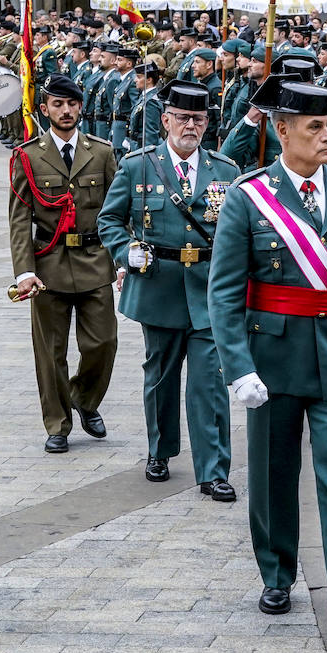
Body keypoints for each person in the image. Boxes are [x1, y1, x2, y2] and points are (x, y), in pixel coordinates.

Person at [207, 77, 327, 645]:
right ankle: (277, 571)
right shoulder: (249, 196)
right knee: (272, 477)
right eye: (314, 126)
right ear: (280, 129)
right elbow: (224, 292)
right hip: (273, 362)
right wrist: (239, 368)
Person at [98, 81, 238, 496]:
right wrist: (126, 253)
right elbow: (110, 220)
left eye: (198, 119)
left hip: (208, 290)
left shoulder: (225, 171)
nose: (190, 126)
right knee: (160, 376)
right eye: (182, 118)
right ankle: (160, 449)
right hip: (159, 285)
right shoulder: (138, 165)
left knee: (209, 382)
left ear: (208, 123)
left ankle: (213, 469)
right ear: (165, 121)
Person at [7, 75, 119, 453]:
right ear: (45, 109)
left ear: (81, 107)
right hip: (48, 266)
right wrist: (24, 272)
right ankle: (57, 424)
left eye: (71, 104)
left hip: (94, 261)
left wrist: (122, 260)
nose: (66, 111)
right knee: (50, 351)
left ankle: (84, 399)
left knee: (103, 343)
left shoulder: (101, 152)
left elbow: (116, 212)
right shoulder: (28, 155)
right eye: (57, 104)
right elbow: (20, 218)